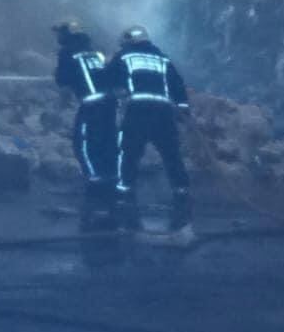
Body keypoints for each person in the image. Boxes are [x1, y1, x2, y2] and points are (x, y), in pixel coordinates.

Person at [112, 25, 191, 229]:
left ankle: (124, 194)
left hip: (138, 111)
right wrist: (183, 109)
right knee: (171, 155)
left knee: (128, 153)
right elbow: (177, 85)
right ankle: (182, 193)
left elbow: (110, 78)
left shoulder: (125, 56)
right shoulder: (163, 58)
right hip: (164, 113)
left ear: (128, 41)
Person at [52, 20, 117, 228]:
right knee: (107, 143)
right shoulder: (94, 52)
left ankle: (94, 183)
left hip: (91, 105)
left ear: (67, 35)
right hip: (109, 104)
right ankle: (111, 184)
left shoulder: (67, 52)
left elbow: (62, 79)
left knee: (83, 145)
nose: (58, 38)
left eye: (60, 33)